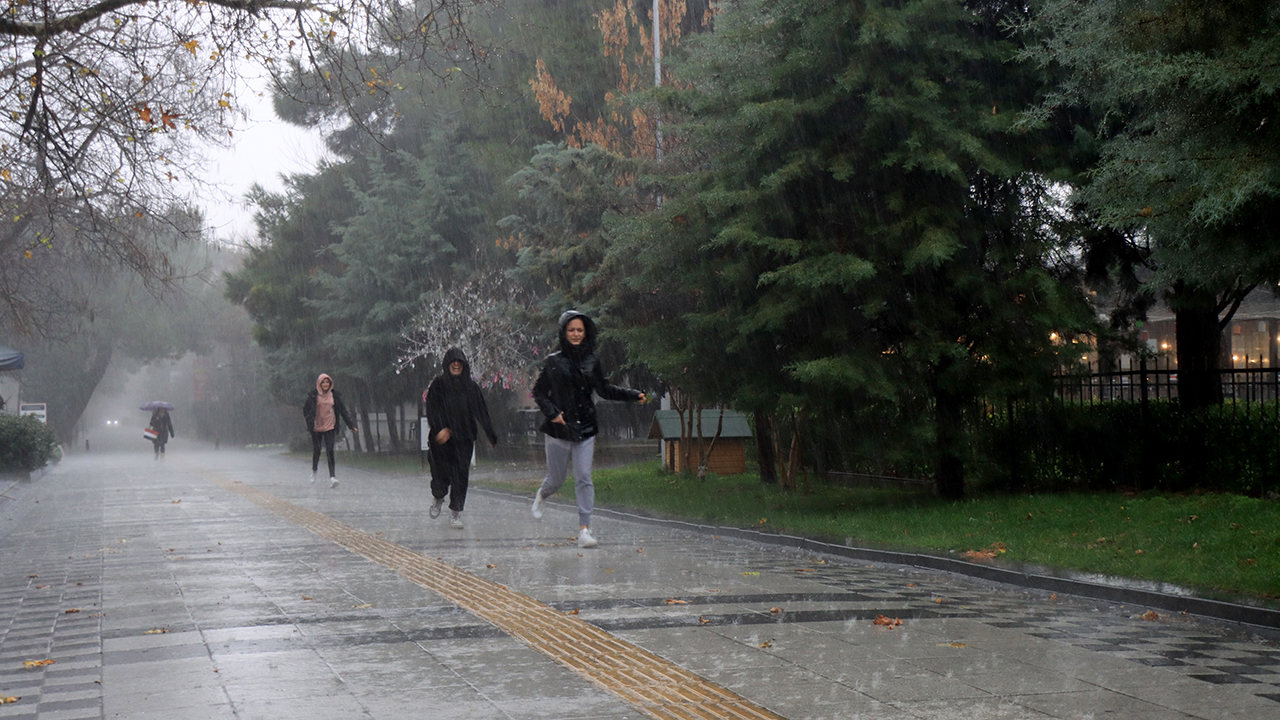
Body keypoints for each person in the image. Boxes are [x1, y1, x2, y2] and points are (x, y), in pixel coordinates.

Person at [531, 311, 645, 548]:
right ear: (564, 332)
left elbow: (604, 389)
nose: (575, 334)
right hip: (559, 429)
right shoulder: (553, 361)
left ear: (586, 333)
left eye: (580, 330)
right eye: (571, 330)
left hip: (586, 427)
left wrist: (632, 395)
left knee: (584, 476)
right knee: (557, 479)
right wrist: (553, 413)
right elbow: (539, 392)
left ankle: (584, 529)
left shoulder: (592, 360)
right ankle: (543, 494)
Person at [425, 348, 499, 529]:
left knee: (460, 476)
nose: (456, 365)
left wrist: (490, 434)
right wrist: (440, 429)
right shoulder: (438, 385)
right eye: (453, 361)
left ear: (464, 365)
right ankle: (438, 496)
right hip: (442, 440)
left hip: (464, 438)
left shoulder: (471, 388)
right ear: (447, 364)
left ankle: (456, 512)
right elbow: (432, 409)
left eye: (460, 362)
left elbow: (482, 411)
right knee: (440, 472)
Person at [302, 373, 358, 488]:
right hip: (317, 427)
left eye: (327, 382)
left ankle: (332, 477)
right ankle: (314, 471)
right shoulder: (313, 396)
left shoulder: (335, 396)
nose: (325, 384)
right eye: (323, 382)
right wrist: (310, 421)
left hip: (330, 426)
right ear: (319, 384)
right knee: (317, 450)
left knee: (330, 450)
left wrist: (351, 426)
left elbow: (343, 411)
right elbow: (306, 410)